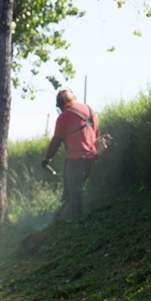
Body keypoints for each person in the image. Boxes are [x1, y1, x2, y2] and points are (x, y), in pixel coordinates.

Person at [42, 89, 101, 218]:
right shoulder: (90, 110)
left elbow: (56, 141)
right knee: (81, 187)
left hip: (76, 159)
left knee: (74, 191)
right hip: (93, 157)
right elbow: (96, 134)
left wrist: (47, 158)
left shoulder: (64, 117)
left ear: (60, 103)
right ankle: (83, 211)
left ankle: (75, 219)